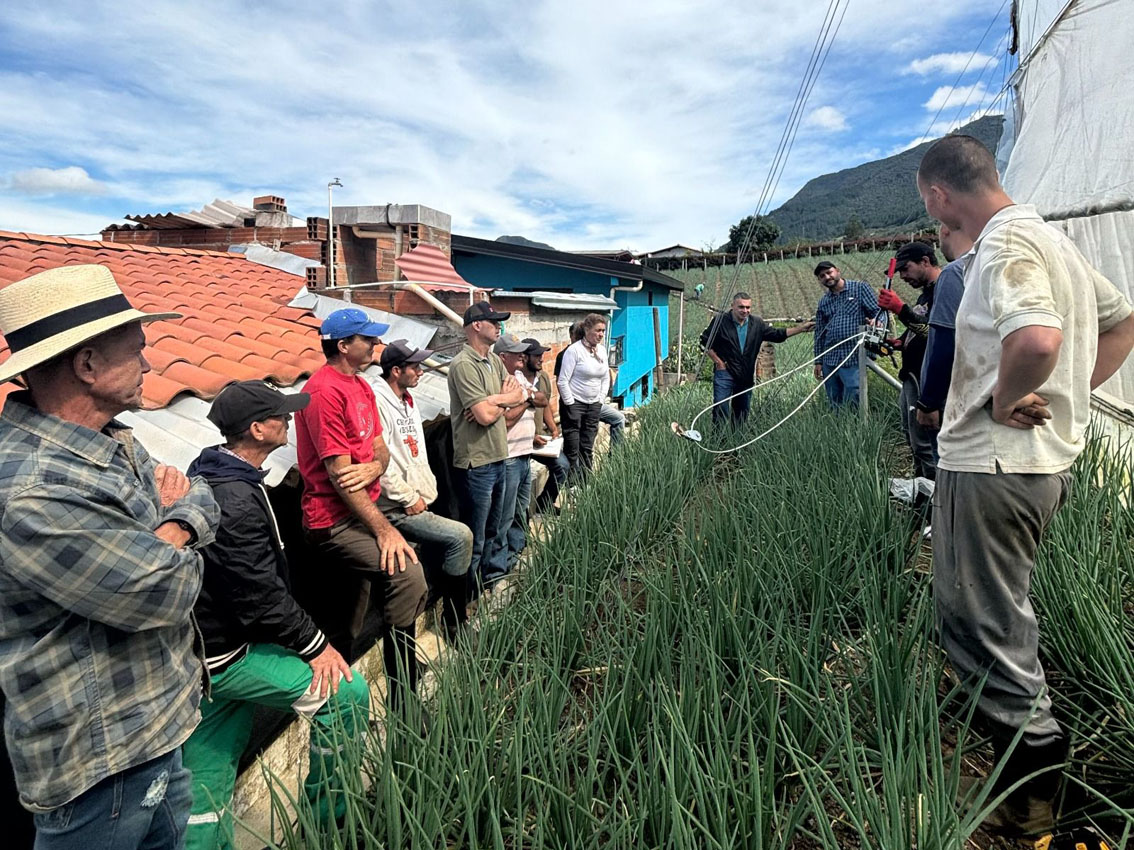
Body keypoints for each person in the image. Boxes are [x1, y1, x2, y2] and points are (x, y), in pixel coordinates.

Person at [917, 134, 1134, 835]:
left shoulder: (1006, 247)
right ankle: (1028, 765)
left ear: (938, 196)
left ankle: (1034, 796)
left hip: (992, 466)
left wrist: (1012, 397)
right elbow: (1122, 322)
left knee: (983, 622)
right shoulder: (1054, 241)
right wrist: (1070, 391)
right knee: (1000, 613)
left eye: (932, 208)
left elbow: (1037, 340)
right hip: (1036, 467)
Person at [0, 265, 219, 849]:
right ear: (88, 364)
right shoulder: (32, 491)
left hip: (153, 729)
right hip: (102, 758)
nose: (150, 365)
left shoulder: (113, 438)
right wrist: (175, 530)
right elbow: (164, 591)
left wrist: (166, 530)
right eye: (138, 351)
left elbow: (196, 493)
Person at [184, 381, 370, 849]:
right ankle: (330, 822)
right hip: (227, 655)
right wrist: (317, 646)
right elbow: (259, 596)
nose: (289, 421)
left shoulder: (221, 474)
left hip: (203, 650)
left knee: (207, 770)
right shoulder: (234, 499)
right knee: (345, 693)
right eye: (281, 416)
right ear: (257, 429)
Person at [294, 308, 426, 715]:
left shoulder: (362, 387)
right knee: (406, 572)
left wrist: (375, 465)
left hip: (360, 509)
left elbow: (379, 449)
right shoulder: (323, 391)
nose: (374, 345)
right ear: (343, 345)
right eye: (366, 339)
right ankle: (403, 692)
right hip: (332, 520)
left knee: (352, 613)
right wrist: (385, 531)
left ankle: (381, 680)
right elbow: (340, 477)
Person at [374, 340, 474, 643]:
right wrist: (408, 498)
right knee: (461, 536)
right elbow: (380, 461)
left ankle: (447, 607)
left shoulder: (407, 398)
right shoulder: (378, 403)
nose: (420, 371)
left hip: (418, 498)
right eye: (414, 366)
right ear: (396, 371)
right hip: (395, 507)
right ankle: (454, 621)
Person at [447, 301, 526, 593]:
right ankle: (467, 599)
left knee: (494, 530)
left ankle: (487, 585)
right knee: (476, 538)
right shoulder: (464, 364)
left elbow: (517, 395)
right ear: (476, 326)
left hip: (498, 456)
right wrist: (498, 401)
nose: (499, 327)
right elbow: (482, 417)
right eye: (494, 322)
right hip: (476, 463)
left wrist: (492, 400)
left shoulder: (493, 361)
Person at [876, 242, 940, 479]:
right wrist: (902, 341)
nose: (903, 276)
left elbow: (933, 332)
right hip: (911, 375)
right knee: (911, 435)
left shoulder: (943, 290)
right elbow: (919, 328)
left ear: (925, 261)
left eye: (906, 269)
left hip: (926, 378)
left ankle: (932, 498)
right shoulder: (925, 295)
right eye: (899, 271)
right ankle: (920, 486)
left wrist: (899, 308)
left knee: (924, 441)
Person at [702, 291, 814, 425]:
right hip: (725, 372)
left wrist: (800, 328)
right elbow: (705, 341)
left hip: (745, 374)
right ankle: (718, 442)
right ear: (732, 306)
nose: (745, 311)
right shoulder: (720, 321)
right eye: (741, 307)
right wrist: (718, 362)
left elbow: (777, 334)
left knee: (741, 412)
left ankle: (737, 440)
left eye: (748, 307)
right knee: (720, 408)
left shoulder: (757, 323)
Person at [916, 224, 974, 432]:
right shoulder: (987, 264)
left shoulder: (953, 273)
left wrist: (929, 401)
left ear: (945, 229)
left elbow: (946, 339)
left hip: (950, 396)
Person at [495, 333, 543, 567]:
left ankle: (515, 555)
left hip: (524, 455)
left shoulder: (518, 378)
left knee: (520, 510)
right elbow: (506, 421)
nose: (523, 356)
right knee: (504, 516)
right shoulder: (500, 382)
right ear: (504, 356)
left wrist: (525, 397)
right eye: (518, 353)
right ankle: (498, 568)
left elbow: (542, 399)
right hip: (509, 458)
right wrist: (526, 401)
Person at [812, 261, 879, 408]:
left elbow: (877, 312)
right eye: (822, 276)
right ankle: (839, 429)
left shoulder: (859, 289)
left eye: (829, 272)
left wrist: (876, 321)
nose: (827, 277)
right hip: (830, 357)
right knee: (834, 400)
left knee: (855, 396)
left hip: (854, 354)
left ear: (837, 271)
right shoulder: (824, 302)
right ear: (820, 280)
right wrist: (818, 361)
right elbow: (820, 333)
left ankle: (858, 428)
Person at [557, 313, 611, 477]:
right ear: (587, 330)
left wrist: (599, 401)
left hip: (593, 404)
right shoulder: (574, 351)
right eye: (597, 330)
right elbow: (562, 381)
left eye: (603, 331)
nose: (601, 334)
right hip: (575, 404)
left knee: (587, 446)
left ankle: (585, 481)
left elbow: (605, 377)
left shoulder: (601, 351)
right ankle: (570, 484)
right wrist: (570, 404)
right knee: (573, 447)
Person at [524, 337, 569, 514]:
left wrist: (553, 428)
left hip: (540, 439)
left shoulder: (542, 376)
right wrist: (530, 436)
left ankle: (545, 503)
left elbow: (546, 405)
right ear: (525, 357)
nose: (541, 359)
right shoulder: (514, 378)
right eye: (537, 356)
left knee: (562, 465)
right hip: (520, 441)